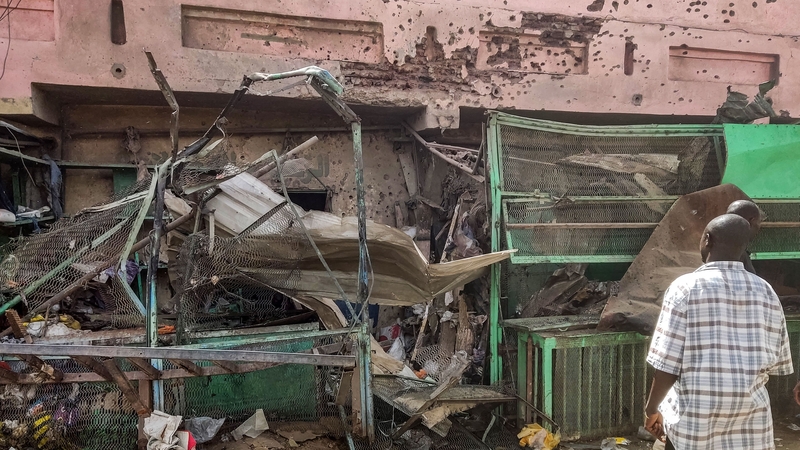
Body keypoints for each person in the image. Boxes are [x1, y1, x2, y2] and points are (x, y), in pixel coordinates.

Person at [643, 214, 793, 450]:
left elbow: (667, 364)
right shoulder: (766, 292)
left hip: (694, 424)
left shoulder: (684, 288)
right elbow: (777, 362)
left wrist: (652, 409)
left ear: (707, 240)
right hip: (751, 424)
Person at [726, 199, 764, 274]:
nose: (759, 227)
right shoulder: (737, 253)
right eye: (759, 222)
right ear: (751, 221)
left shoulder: (717, 246)